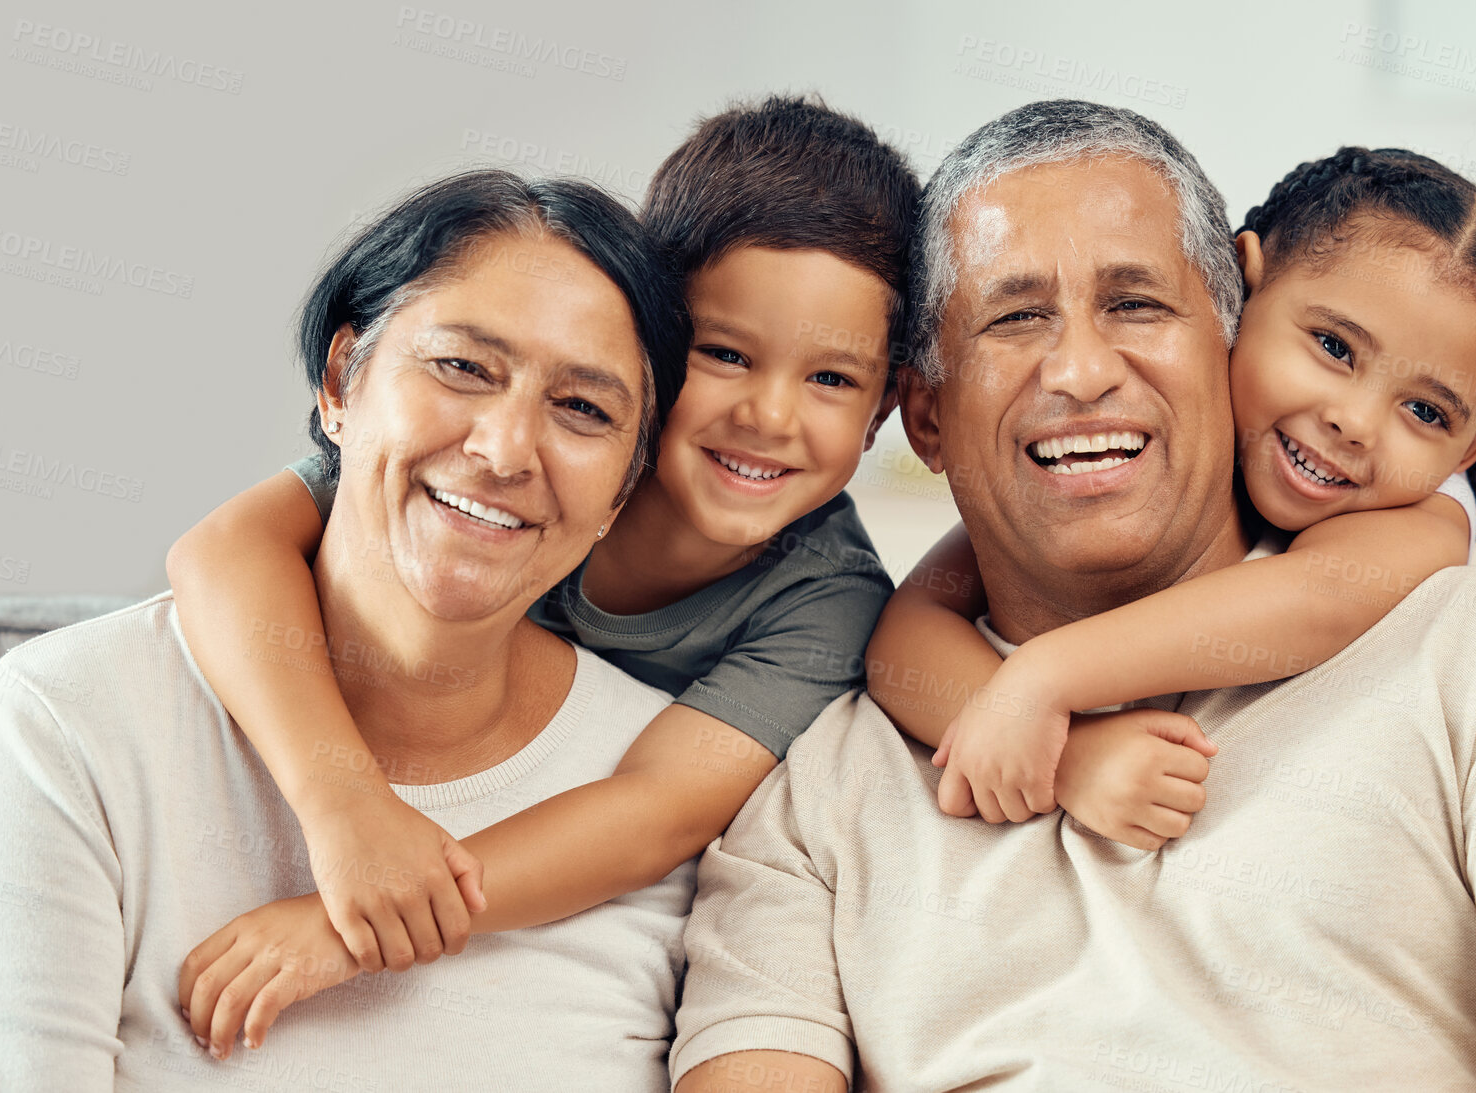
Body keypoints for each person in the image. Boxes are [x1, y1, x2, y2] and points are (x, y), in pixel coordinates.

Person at [671, 101, 1476, 1091]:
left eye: (1134, 303)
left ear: (1227, 332)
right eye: (1017, 315)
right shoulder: (813, 788)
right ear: (926, 418)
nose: (1080, 370)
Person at [162, 96, 918, 1053]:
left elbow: (648, 812)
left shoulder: (828, 597)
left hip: (524, 868)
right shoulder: (497, 456)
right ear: (641, 343)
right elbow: (223, 548)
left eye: (831, 380)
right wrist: (345, 802)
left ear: (886, 407)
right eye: (724, 354)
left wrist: (356, 921)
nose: (770, 416)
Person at [0, 170, 703, 1089]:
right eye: (462, 366)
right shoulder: (66, 722)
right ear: (340, 383)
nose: (502, 449)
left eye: (583, 409)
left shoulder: (669, 781)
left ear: (624, 487)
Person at [867, 144, 1476, 842]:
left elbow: (1315, 598)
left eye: (1425, 412)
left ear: (1474, 443)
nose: (1353, 422)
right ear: (1241, 290)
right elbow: (906, 633)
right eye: (1333, 347)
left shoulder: (1423, 517)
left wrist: (1046, 678)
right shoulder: (1164, 455)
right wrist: (1072, 753)